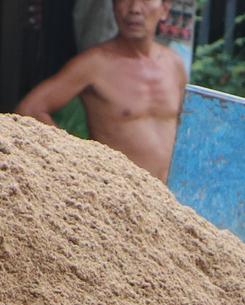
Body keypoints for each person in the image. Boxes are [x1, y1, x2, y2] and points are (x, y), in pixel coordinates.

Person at [16, 0, 187, 183]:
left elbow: (187, 128)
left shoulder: (174, 62)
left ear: (165, 9)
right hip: (119, 195)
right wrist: (79, 161)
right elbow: (30, 109)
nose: (135, 9)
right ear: (113, 8)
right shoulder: (94, 63)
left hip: (171, 198)